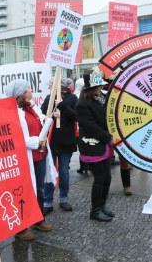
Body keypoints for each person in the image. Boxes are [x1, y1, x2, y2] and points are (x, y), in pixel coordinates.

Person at [4, 79, 52, 236]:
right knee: (23, 191)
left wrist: (49, 118)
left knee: (39, 188)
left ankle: (38, 219)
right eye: (28, 88)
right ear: (21, 94)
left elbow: (40, 123)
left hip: (39, 155)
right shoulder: (14, 113)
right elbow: (18, 138)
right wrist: (36, 141)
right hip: (26, 157)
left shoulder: (32, 108)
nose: (31, 90)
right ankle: (21, 227)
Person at [76, 68, 114, 222]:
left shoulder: (97, 98)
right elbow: (91, 126)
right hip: (92, 146)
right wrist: (108, 137)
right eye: (99, 86)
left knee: (107, 177)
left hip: (103, 144)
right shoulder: (82, 104)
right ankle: (95, 210)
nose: (101, 88)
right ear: (92, 87)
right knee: (100, 178)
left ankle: (102, 205)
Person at [42, 78, 78, 214]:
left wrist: (62, 107)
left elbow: (76, 116)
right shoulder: (49, 97)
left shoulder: (73, 98)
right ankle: (47, 201)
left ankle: (63, 198)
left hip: (66, 142)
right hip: (52, 141)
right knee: (49, 172)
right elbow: (43, 113)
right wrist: (52, 113)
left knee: (64, 171)